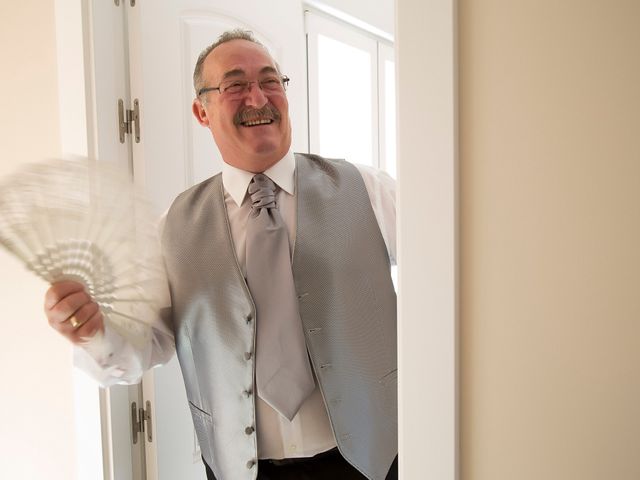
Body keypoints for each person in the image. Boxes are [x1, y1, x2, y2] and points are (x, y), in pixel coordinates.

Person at [44, 29, 397, 480]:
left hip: (371, 461)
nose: (258, 98)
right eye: (234, 85)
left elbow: (451, 271)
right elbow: (142, 345)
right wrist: (94, 330)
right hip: (238, 470)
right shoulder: (174, 224)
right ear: (201, 111)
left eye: (271, 81)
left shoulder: (366, 191)